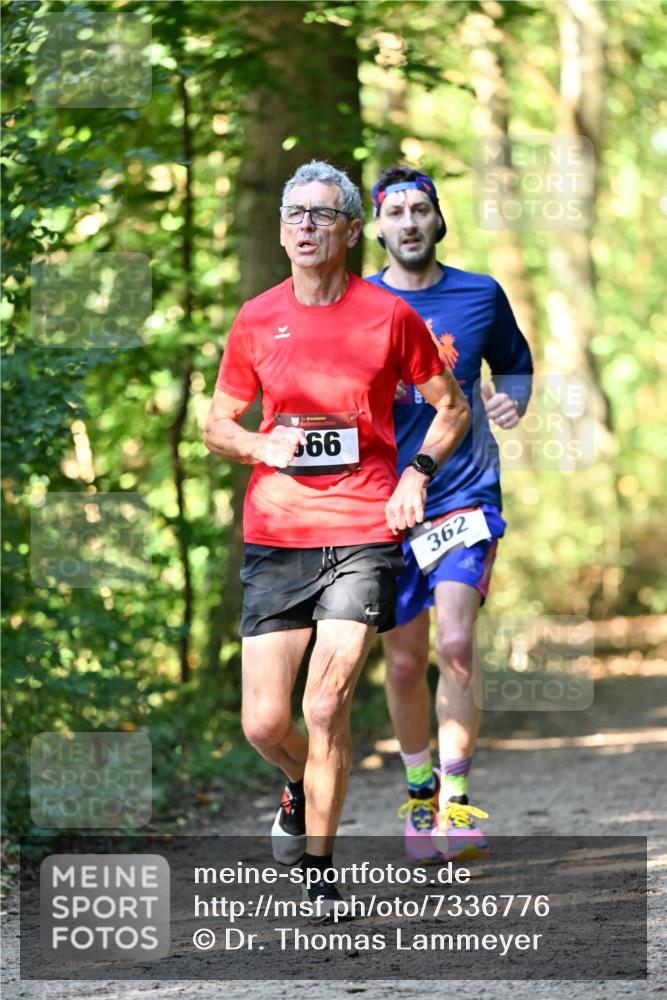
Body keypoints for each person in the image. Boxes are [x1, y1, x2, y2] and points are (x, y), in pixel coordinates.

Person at [204, 160, 470, 916]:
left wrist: (415, 474)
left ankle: (318, 874)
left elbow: (447, 408)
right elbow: (215, 423)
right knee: (265, 722)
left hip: (361, 531)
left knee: (325, 708)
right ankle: (296, 784)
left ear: (354, 231)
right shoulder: (257, 317)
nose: (305, 226)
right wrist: (260, 448)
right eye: (294, 214)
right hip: (277, 533)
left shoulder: (387, 317)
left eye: (322, 215)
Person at [367, 165, 533, 863]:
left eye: (419, 210)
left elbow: (515, 364)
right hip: (383, 505)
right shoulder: (357, 303)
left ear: (437, 221)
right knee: (405, 662)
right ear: (376, 227)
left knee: (457, 643)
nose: (408, 222)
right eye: (395, 212)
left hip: (463, 492)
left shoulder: (479, 294)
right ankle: (418, 789)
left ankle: (456, 802)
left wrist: (510, 399)